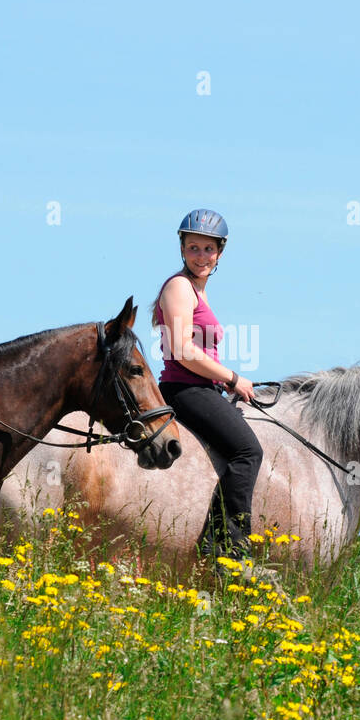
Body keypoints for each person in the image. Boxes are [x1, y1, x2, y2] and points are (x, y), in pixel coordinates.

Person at [152, 209, 270, 582]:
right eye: (193, 248)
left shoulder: (198, 290)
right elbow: (184, 351)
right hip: (183, 389)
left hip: (203, 387)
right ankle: (228, 550)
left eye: (208, 249)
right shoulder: (179, 288)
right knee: (248, 451)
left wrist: (223, 382)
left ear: (220, 253)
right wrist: (233, 378)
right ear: (182, 249)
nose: (200, 256)